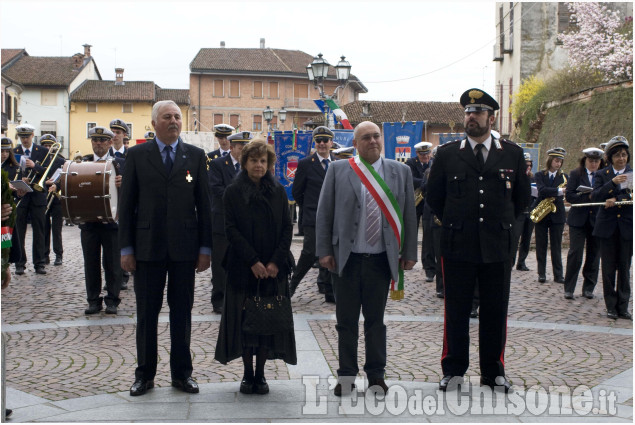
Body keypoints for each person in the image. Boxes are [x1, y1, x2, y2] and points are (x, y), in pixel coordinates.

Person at [426, 88, 530, 393]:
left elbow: (522, 198)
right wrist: (458, 222)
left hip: (497, 245)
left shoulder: (511, 153)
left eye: (478, 112)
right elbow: (435, 197)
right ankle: (453, 370)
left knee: (496, 311)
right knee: (456, 311)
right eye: (468, 112)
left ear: (491, 117)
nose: (472, 117)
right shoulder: (447, 154)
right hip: (458, 245)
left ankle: (494, 372)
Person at [316, 121, 417, 396]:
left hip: (381, 261)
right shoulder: (339, 169)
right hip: (346, 261)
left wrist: (409, 253)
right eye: (365, 138)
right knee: (345, 322)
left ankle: (376, 376)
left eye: (376, 136)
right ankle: (346, 376)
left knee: (376, 322)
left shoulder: (401, 171)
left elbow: (409, 214)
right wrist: (323, 251)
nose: (372, 141)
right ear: (356, 143)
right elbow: (324, 212)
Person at [119, 100, 212, 396]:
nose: (173, 121)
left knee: (182, 313)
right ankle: (144, 375)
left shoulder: (195, 157)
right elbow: (127, 204)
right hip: (147, 249)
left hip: (185, 250)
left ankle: (182, 374)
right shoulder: (136, 155)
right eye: (167, 117)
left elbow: (204, 206)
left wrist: (205, 248)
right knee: (147, 314)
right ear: (154, 123)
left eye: (177, 117)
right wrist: (126, 249)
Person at [215, 139, 296, 395]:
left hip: (274, 268)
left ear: (269, 164)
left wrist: (274, 261)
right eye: (254, 160)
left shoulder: (279, 191)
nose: (258, 165)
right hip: (243, 267)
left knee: (267, 322)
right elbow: (231, 230)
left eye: (263, 161)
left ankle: (261, 374)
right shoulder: (233, 192)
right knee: (244, 323)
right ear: (245, 162)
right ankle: (247, 373)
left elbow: (286, 228)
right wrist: (253, 261)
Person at [78, 127, 125, 315]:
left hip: (112, 223)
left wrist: (124, 182)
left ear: (110, 143)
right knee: (91, 263)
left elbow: (132, 190)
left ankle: (112, 300)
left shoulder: (121, 163)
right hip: (89, 222)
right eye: (95, 140)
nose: (98, 143)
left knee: (113, 264)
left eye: (103, 140)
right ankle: (93, 300)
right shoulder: (83, 163)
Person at [289, 126, 336, 302]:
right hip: (313, 217)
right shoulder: (305, 163)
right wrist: (310, 207)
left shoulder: (338, 163)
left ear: (331, 142)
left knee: (332, 250)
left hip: (333, 217)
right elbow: (297, 192)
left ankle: (328, 289)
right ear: (314, 143)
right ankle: (292, 286)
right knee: (309, 253)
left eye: (325, 140)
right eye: (318, 141)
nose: (322, 144)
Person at [208, 131, 251, 313]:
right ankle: (219, 298)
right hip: (223, 222)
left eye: (246, 148)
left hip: (245, 224)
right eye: (241, 148)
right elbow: (215, 188)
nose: (244, 152)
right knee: (220, 263)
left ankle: (242, 296)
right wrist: (239, 197)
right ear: (232, 148)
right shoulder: (218, 164)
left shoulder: (251, 165)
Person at [591, 136, 632, 320]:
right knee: (608, 268)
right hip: (607, 227)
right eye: (617, 155)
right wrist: (613, 184)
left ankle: (623, 306)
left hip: (626, 227)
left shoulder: (631, 174)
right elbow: (596, 195)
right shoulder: (603, 174)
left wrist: (616, 199)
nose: (621, 159)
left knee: (624, 267)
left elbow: (630, 198)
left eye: (624, 155)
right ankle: (611, 306)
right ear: (610, 158)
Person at [563, 148, 605, 300]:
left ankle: (588, 288)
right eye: (591, 161)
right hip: (578, 220)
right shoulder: (576, 174)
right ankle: (569, 288)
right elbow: (570, 196)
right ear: (585, 161)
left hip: (597, 220)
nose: (593, 164)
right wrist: (588, 196)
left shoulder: (603, 176)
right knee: (575, 254)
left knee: (594, 255)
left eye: (596, 161)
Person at [12, 124, 50, 275]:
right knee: (19, 230)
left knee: (39, 231)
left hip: (37, 195)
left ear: (33, 135)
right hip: (21, 195)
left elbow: (49, 171)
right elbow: (10, 171)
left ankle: (39, 263)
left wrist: (35, 166)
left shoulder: (42, 151)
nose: (25, 140)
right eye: (22, 137)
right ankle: (19, 263)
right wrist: (21, 179)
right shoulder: (14, 152)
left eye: (27, 137)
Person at [533, 147, 568, 283]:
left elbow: (566, 191)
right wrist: (559, 191)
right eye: (556, 160)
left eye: (560, 161)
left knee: (556, 246)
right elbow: (541, 190)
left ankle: (558, 275)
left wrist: (554, 191)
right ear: (550, 160)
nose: (558, 163)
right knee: (541, 245)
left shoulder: (564, 177)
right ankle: (541, 273)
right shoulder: (540, 175)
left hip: (557, 214)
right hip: (542, 213)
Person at [406, 142, 434, 281]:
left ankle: (426, 262)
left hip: (428, 202)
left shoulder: (433, 162)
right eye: (423, 155)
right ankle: (410, 258)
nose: (426, 157)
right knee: (412, 231)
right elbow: (410, 179)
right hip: (415, 201)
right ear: (417, 154)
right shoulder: (411, 163)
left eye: (427, 154)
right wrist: (426, 181)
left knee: (428, 234)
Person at [39, 135, 65, 267]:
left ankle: (58, 254)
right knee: (44, 228)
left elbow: (65, 178)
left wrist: (57, 186)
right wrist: (45, 183)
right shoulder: (40, 162)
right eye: (45, 146)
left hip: (56, 199)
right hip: (43, 197)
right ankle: (44, 255)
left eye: (50, 145)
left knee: (56, 229)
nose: (48, 148)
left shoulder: (61, 160)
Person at [512, 153, 536, 271]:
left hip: (530, 211)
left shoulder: (533, 178)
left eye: (530, 165)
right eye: (526, 165)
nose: (529, 167)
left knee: (526, 239)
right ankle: (511, 261)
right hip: (519, 213)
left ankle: (521, 262)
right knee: (515, 238)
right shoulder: (517, 177)